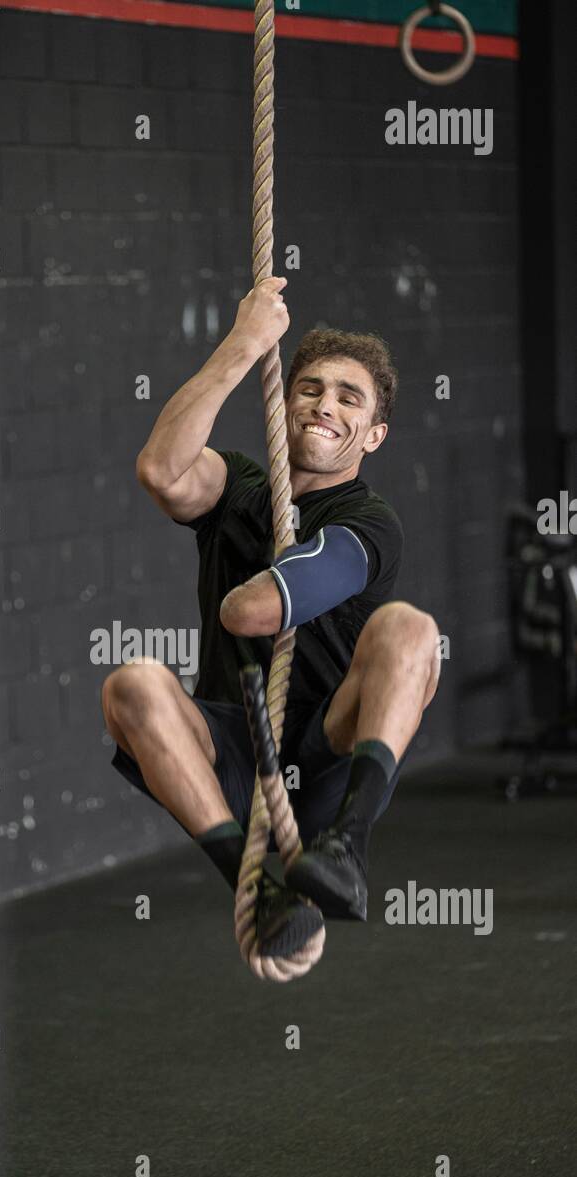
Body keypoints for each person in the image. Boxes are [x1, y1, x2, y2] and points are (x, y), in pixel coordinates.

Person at [101, 277, 441, 945]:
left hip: (325, 755)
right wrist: (244, 343)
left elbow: (252, 611)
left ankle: (346, 848)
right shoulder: (240, 485)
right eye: (310, 388)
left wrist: (245, 593)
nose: (324, 405)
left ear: (374, 434)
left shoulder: (369, 522)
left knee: (410, 630)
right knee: (130, 685)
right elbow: (160, 471)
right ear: (283, 402)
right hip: (233, 753)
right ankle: (255, 887)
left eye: (349, 398)